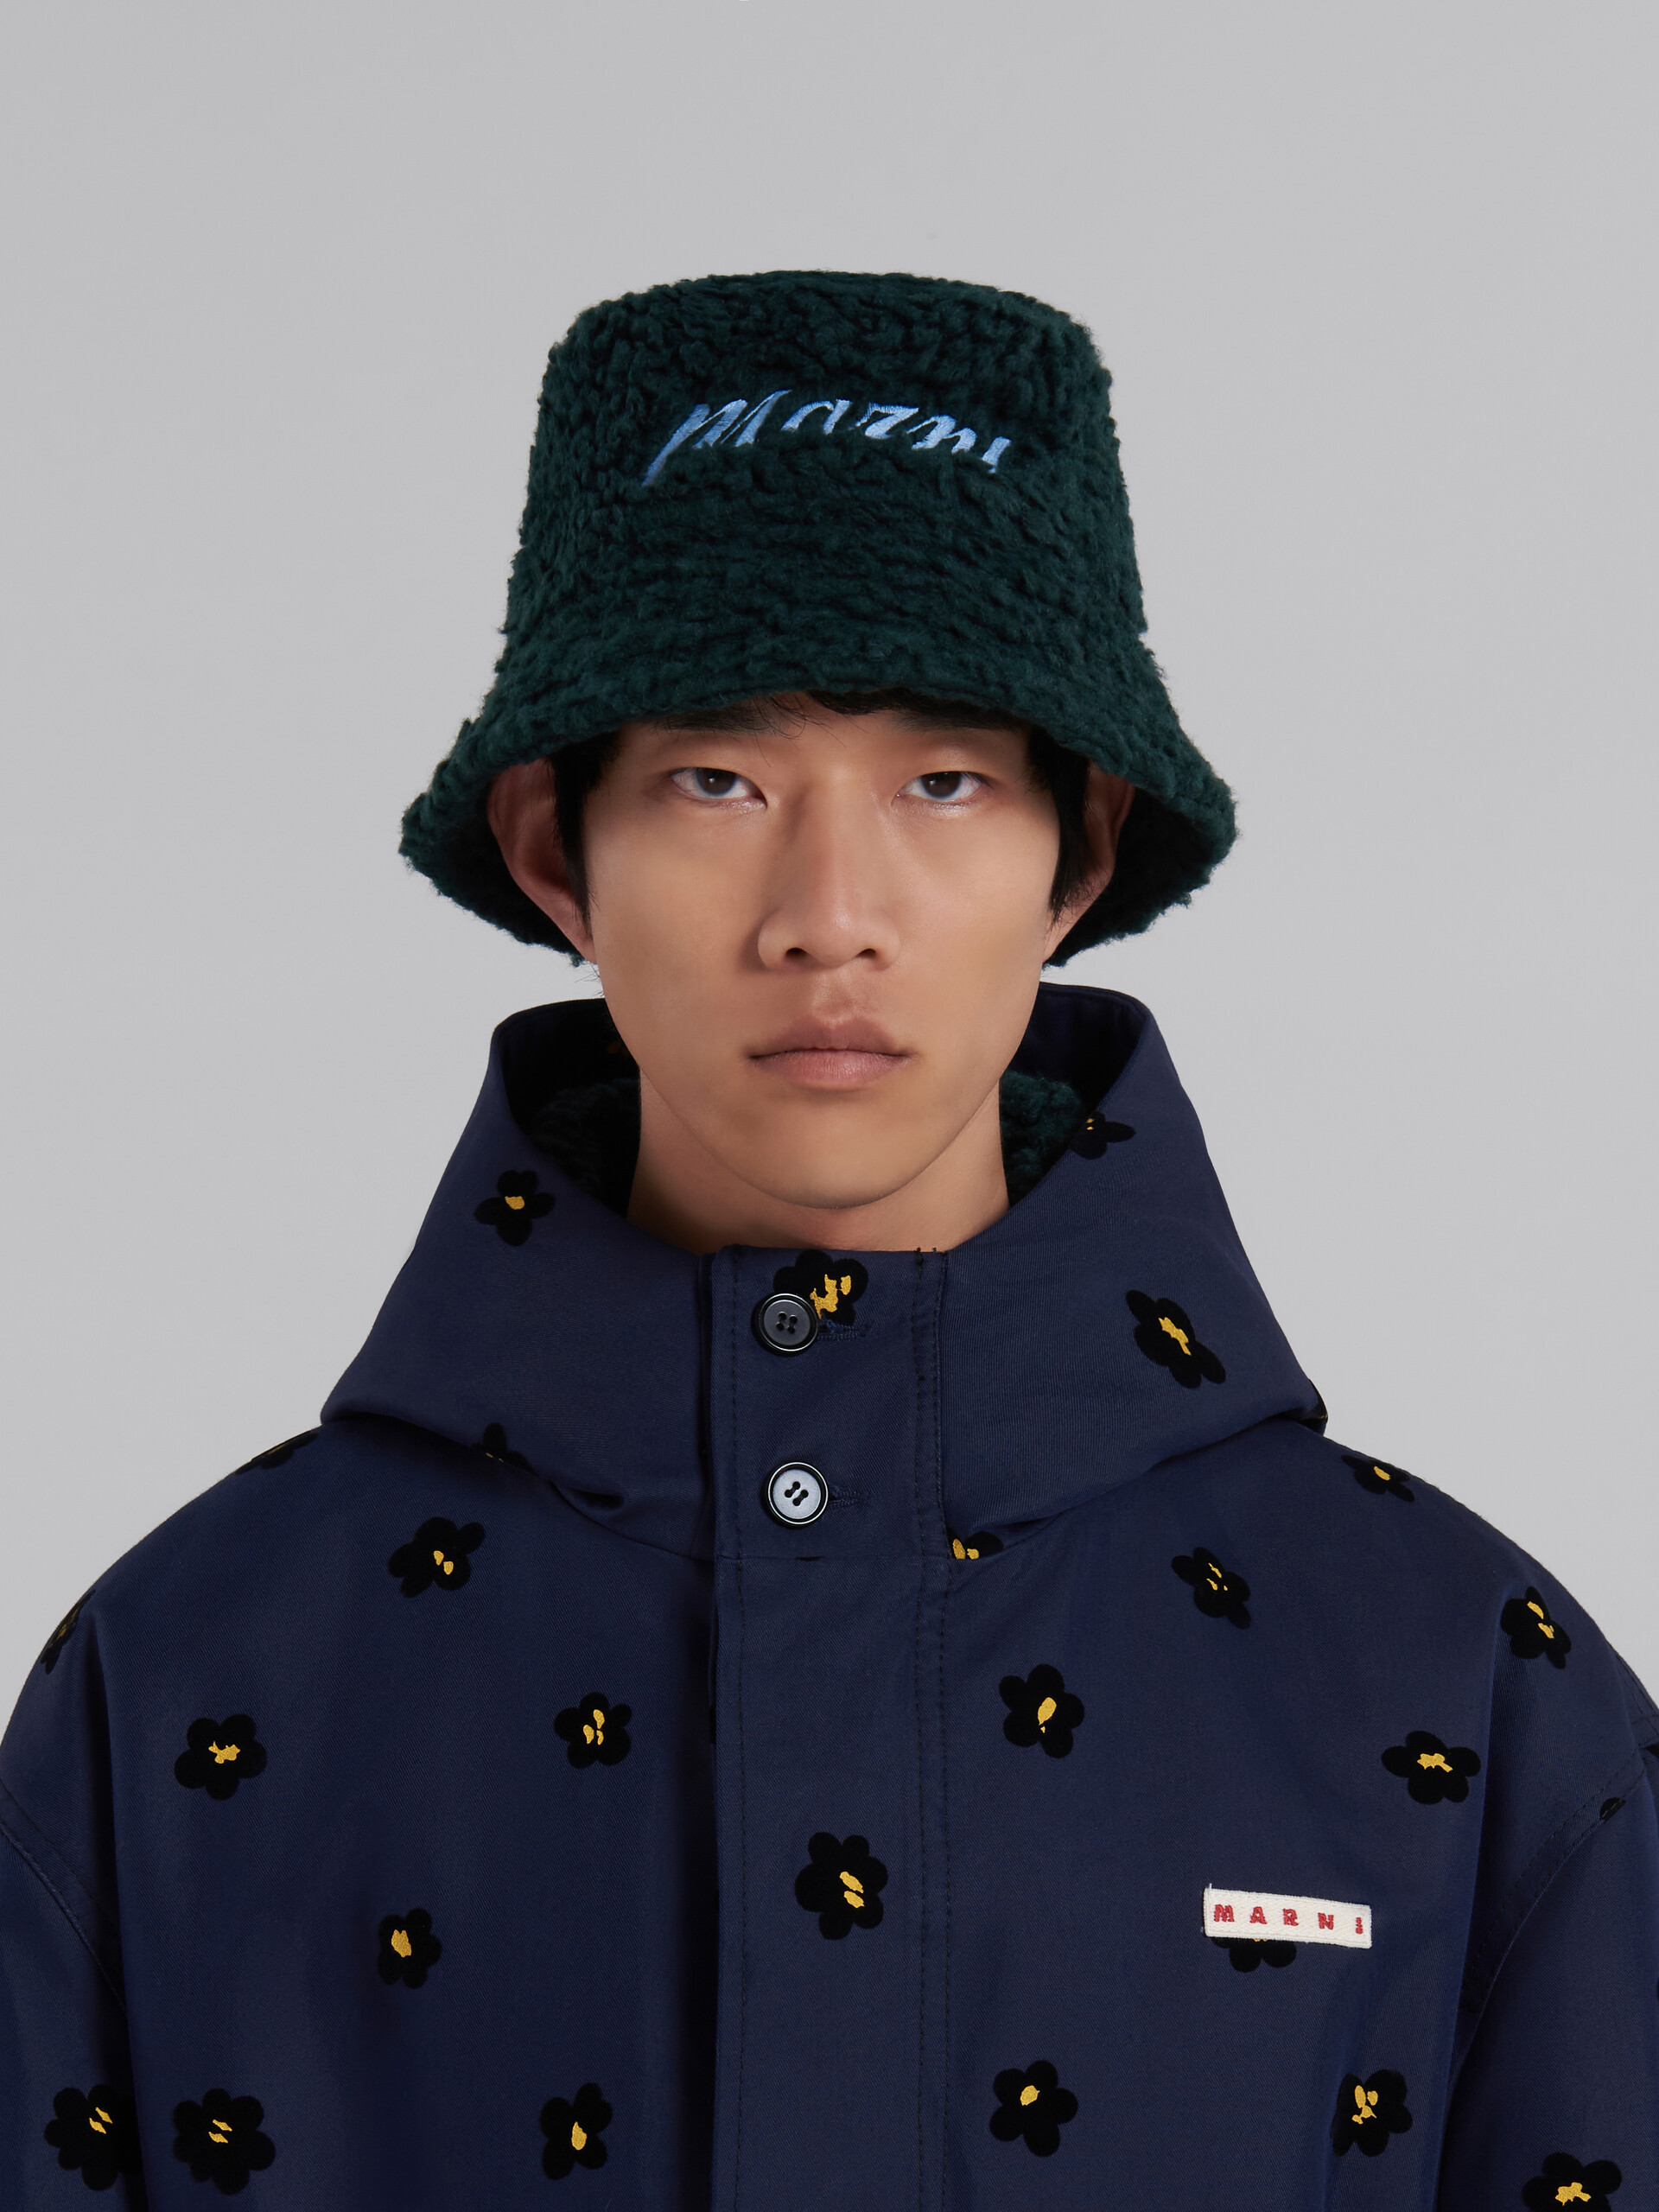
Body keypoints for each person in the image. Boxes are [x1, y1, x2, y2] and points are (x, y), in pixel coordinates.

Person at [3, 269, 1654, 2209]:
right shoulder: (188, 1671)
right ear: (554, 851)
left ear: (1078, 849)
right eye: (717, 780)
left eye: (944, 782)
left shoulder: (1455, 1677)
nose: (828, 912)